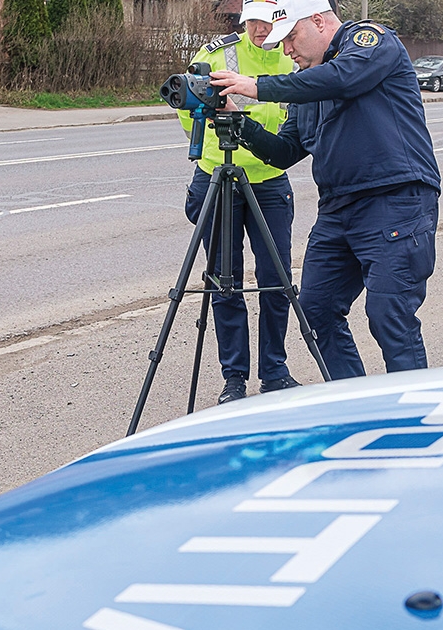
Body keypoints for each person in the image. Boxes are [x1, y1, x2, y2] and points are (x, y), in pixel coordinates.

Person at [209, 0, 440, 380]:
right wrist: (240, 120)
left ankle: (414, 417)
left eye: (291, 38)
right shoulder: (309, 84)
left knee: (389, 317)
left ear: (318, 21)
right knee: (315, 309)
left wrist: (257, 86)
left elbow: (344, 78)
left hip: (394, 202)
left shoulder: (369, 42)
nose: (287, 50)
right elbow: (283, 153)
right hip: (337, 211)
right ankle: (355, 404)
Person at [177, 0, 301, 404]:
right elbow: (188, 103)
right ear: (244, 20)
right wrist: (214, 143)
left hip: (269, 179)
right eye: (253, 22)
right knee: (223, 282)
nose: (261, 30)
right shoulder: (218, 53)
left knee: (275, 279)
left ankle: (275, 371)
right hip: (220, 175)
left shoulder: (295, 54)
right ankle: (234, 378)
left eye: (268, 22)